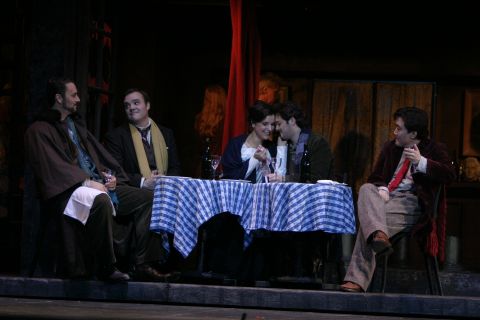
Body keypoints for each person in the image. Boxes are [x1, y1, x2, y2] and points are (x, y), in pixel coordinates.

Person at [25, 77, 168, 282]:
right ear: (58, 98)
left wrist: (108, 176)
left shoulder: (75, 125)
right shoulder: (39, 130)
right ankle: (106, 268)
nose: (78, 99)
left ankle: (143, 263)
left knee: (147, 197)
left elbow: (94, 158)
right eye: (73, 95)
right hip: (69, 190)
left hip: (96, 183)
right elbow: (54, 168)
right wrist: (86, 181)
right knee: (99, 200)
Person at [340, 106, 456, 293]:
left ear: (413, 133)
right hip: (385, 199)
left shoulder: (434, 149)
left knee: (369, 224)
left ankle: (358, 277)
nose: (395, 132)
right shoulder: (391, 147)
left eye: (399, 128)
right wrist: (383, 188)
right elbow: (375, 178)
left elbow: (450, 175)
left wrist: (421, 162)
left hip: (412, 203)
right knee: (366, 188)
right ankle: (379, 235)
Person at [104, 88, 181, 190]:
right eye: (127, 105)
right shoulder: (115, 136)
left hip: (165, 189)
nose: (131, 107)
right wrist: (143, 182)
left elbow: (175, 167)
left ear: (147, 105)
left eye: (136, 103)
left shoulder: (166, 133)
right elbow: (117, 172)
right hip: (135, 191)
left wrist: (163, 180)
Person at [267, 101, 334, 183]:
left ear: (291, 121)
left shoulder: (317, 143)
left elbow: (316, 179)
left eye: (279, 124)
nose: (276, 128)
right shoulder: (285, 145)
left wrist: (284, 179)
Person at [222, 101, 277, 182]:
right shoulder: (235, 145)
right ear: (253, 123)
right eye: (265, 124)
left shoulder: (272, 147)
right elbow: (230, 178)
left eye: (272, 124)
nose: (270, 129)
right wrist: (254, 159)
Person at [194, 84, 226, 156]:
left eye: (206, 99)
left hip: (213, 161)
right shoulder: (200, 119)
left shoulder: (224, 122)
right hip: (215, 160)